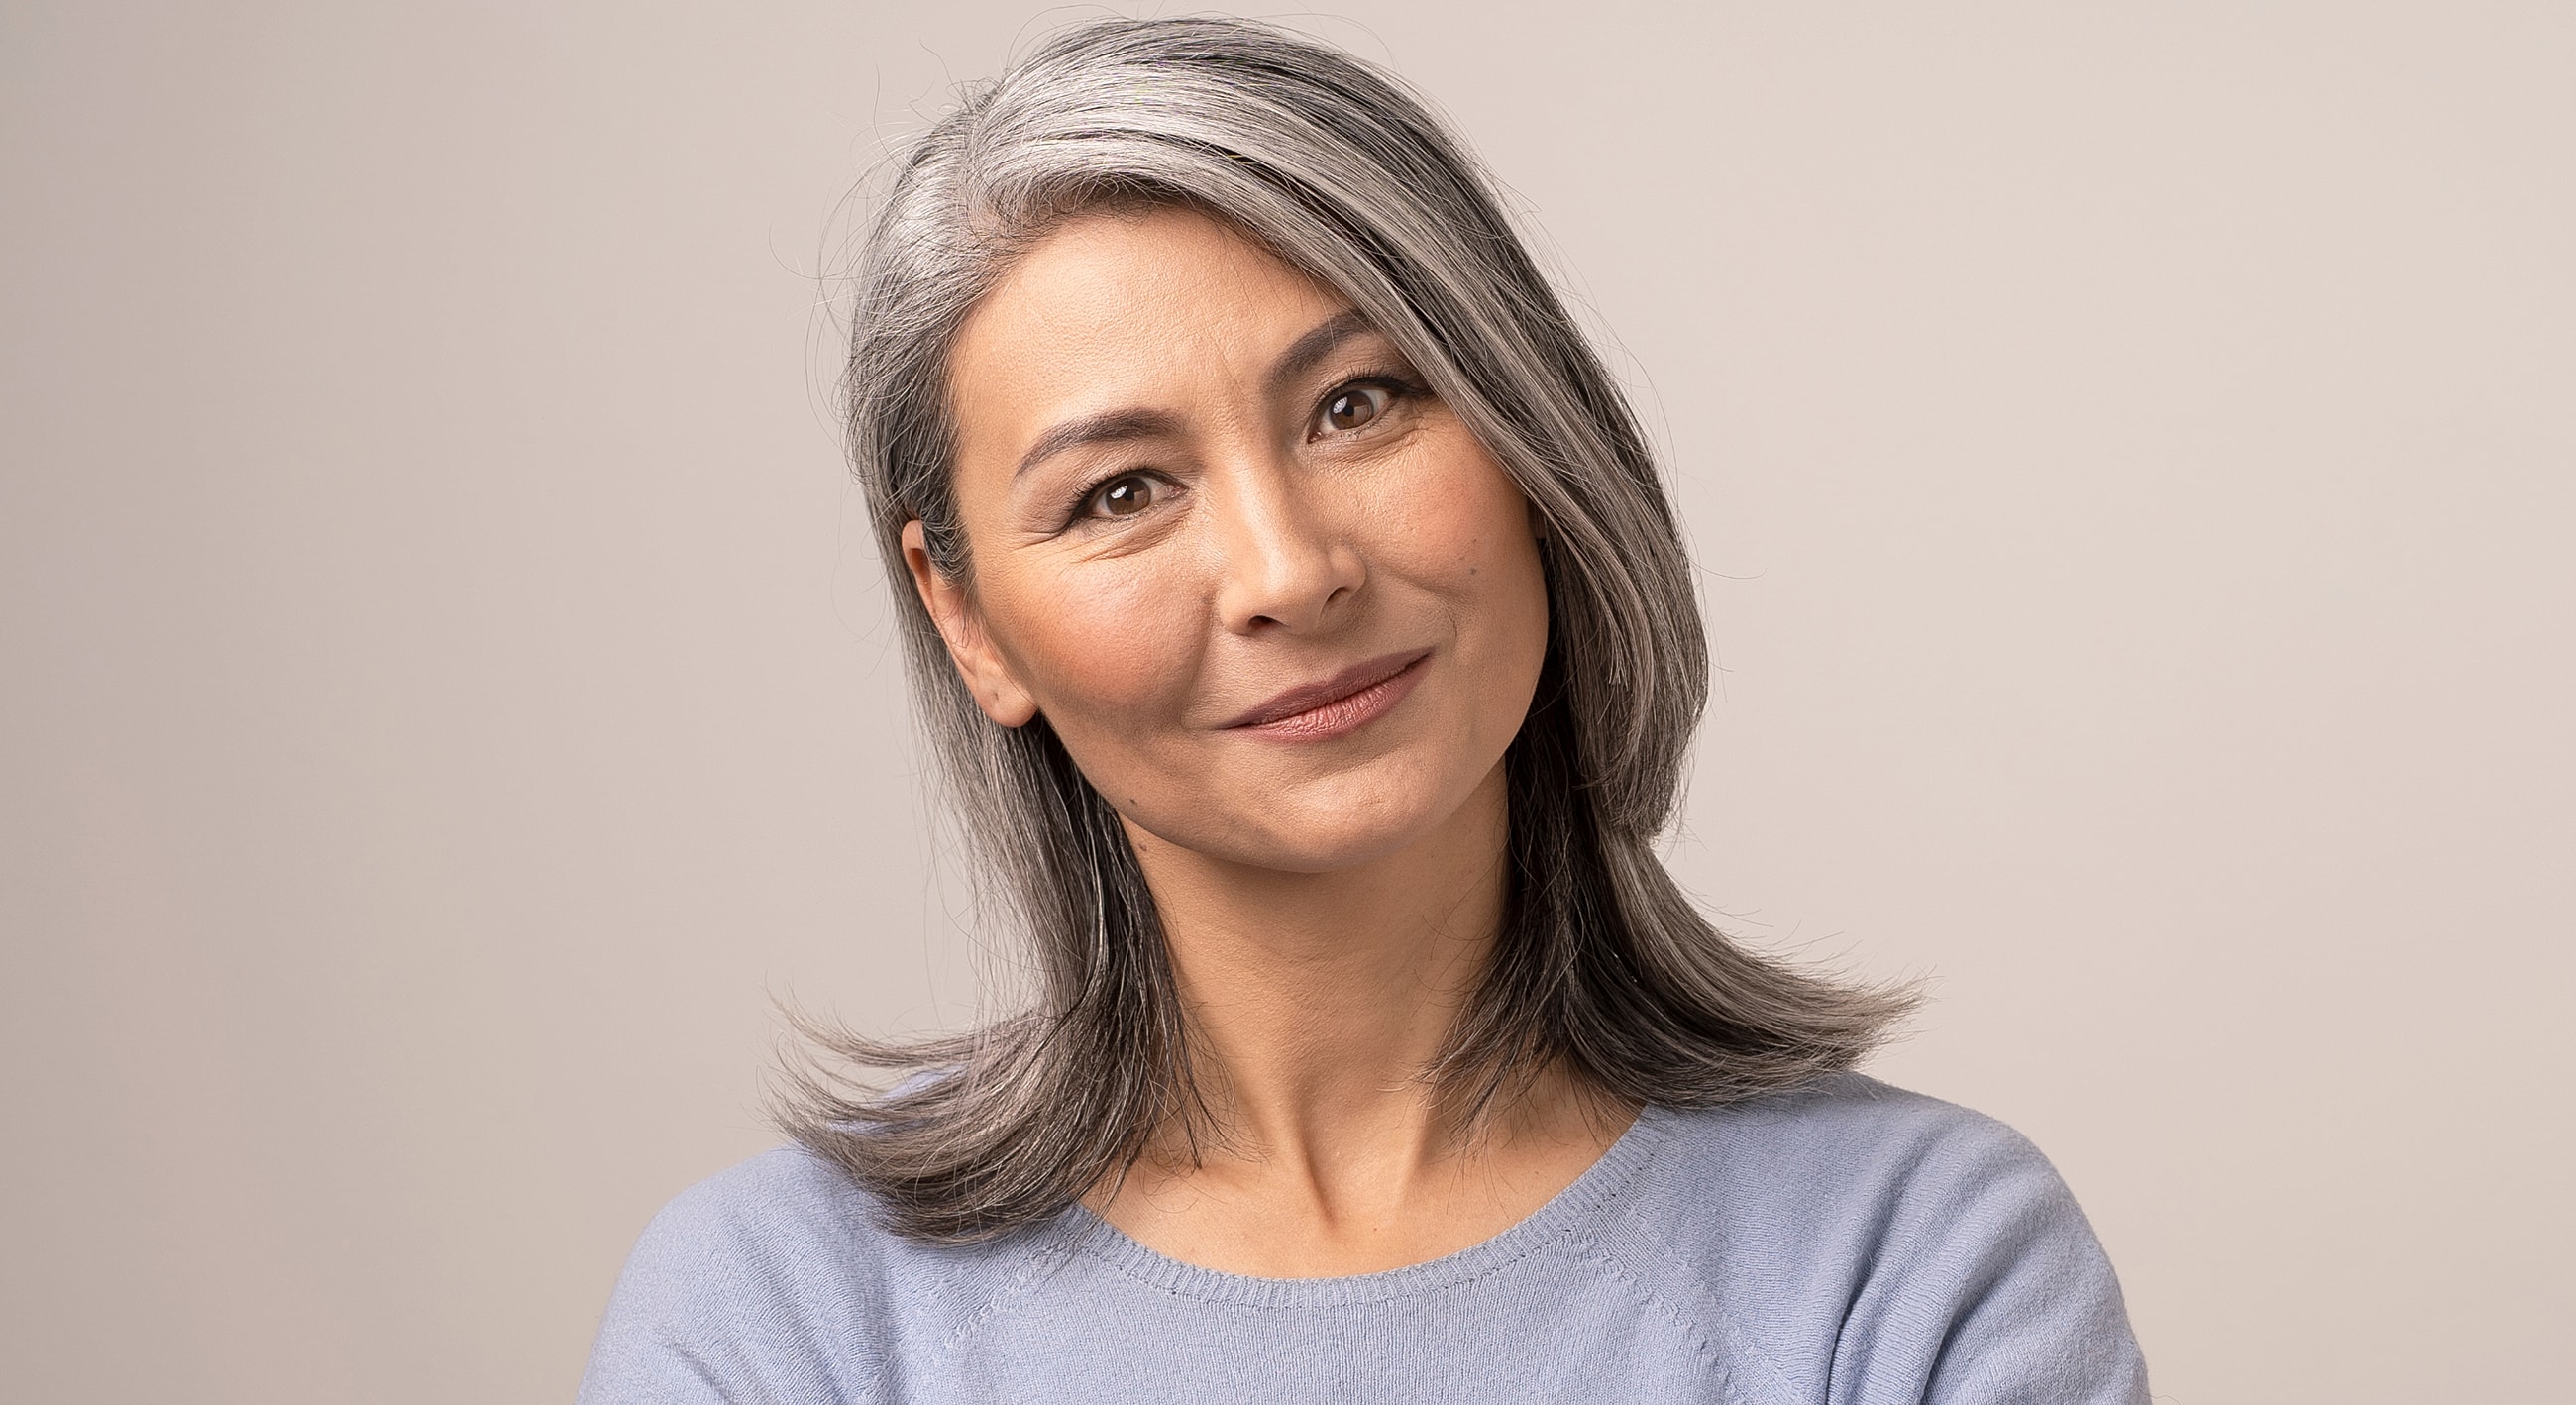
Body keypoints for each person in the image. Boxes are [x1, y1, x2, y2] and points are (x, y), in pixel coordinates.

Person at [579, 16, 2148, 1403]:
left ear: (1531, 436)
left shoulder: (1917, 1266)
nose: (1289, 570)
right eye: (1122, 491)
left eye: (1359, 403)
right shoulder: (781, 1317)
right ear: (968, 618)